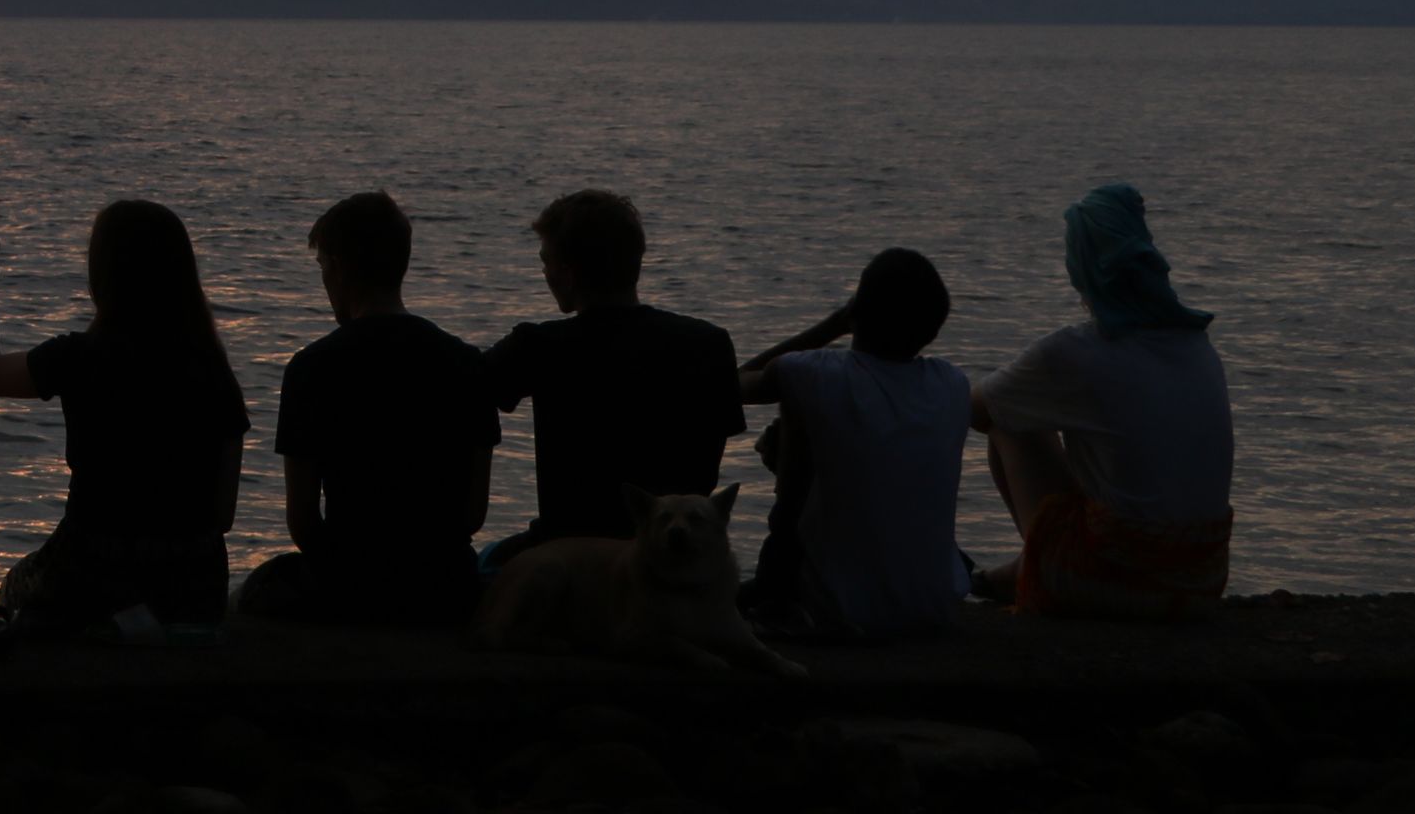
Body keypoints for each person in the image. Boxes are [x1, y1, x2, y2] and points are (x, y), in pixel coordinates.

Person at [0, 201, 249, 634]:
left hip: (91, 571)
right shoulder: (216, 373)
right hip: (194, 584)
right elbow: (222, 516)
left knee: (13, 589)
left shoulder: (79, 357)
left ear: (104, 275)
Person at [970, 184, 1234, 621]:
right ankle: (1017, 570)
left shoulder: (1074, 352)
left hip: (1113, 585)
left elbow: (975, 411)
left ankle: (1030, 571)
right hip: (1201, 582)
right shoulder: (1198, 347)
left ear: (1081, 266)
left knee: (1010, 418)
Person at [238, 192, 493, 627]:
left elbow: (303, 522)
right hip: (445, 584)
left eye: (322, 269)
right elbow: (472, 514)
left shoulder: (312, 368)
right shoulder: (466, 362)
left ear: (337, 266)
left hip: (348, 586)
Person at [480, 189, 744, 568]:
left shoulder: (539, 346)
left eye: (546, 261)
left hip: (568, 555)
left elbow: (460, 383)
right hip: (678, 557)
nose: (544, 273)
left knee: (487, 564)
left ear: (568, 272)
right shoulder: (709, 344)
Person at [735, 248, 972, 640]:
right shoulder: (952, 384)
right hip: (934, 606)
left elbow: (733, 386)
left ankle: (774, 591)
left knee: (792, 428)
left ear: (858, 312)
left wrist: (833, 324)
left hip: (837, 611)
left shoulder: (813, 374)